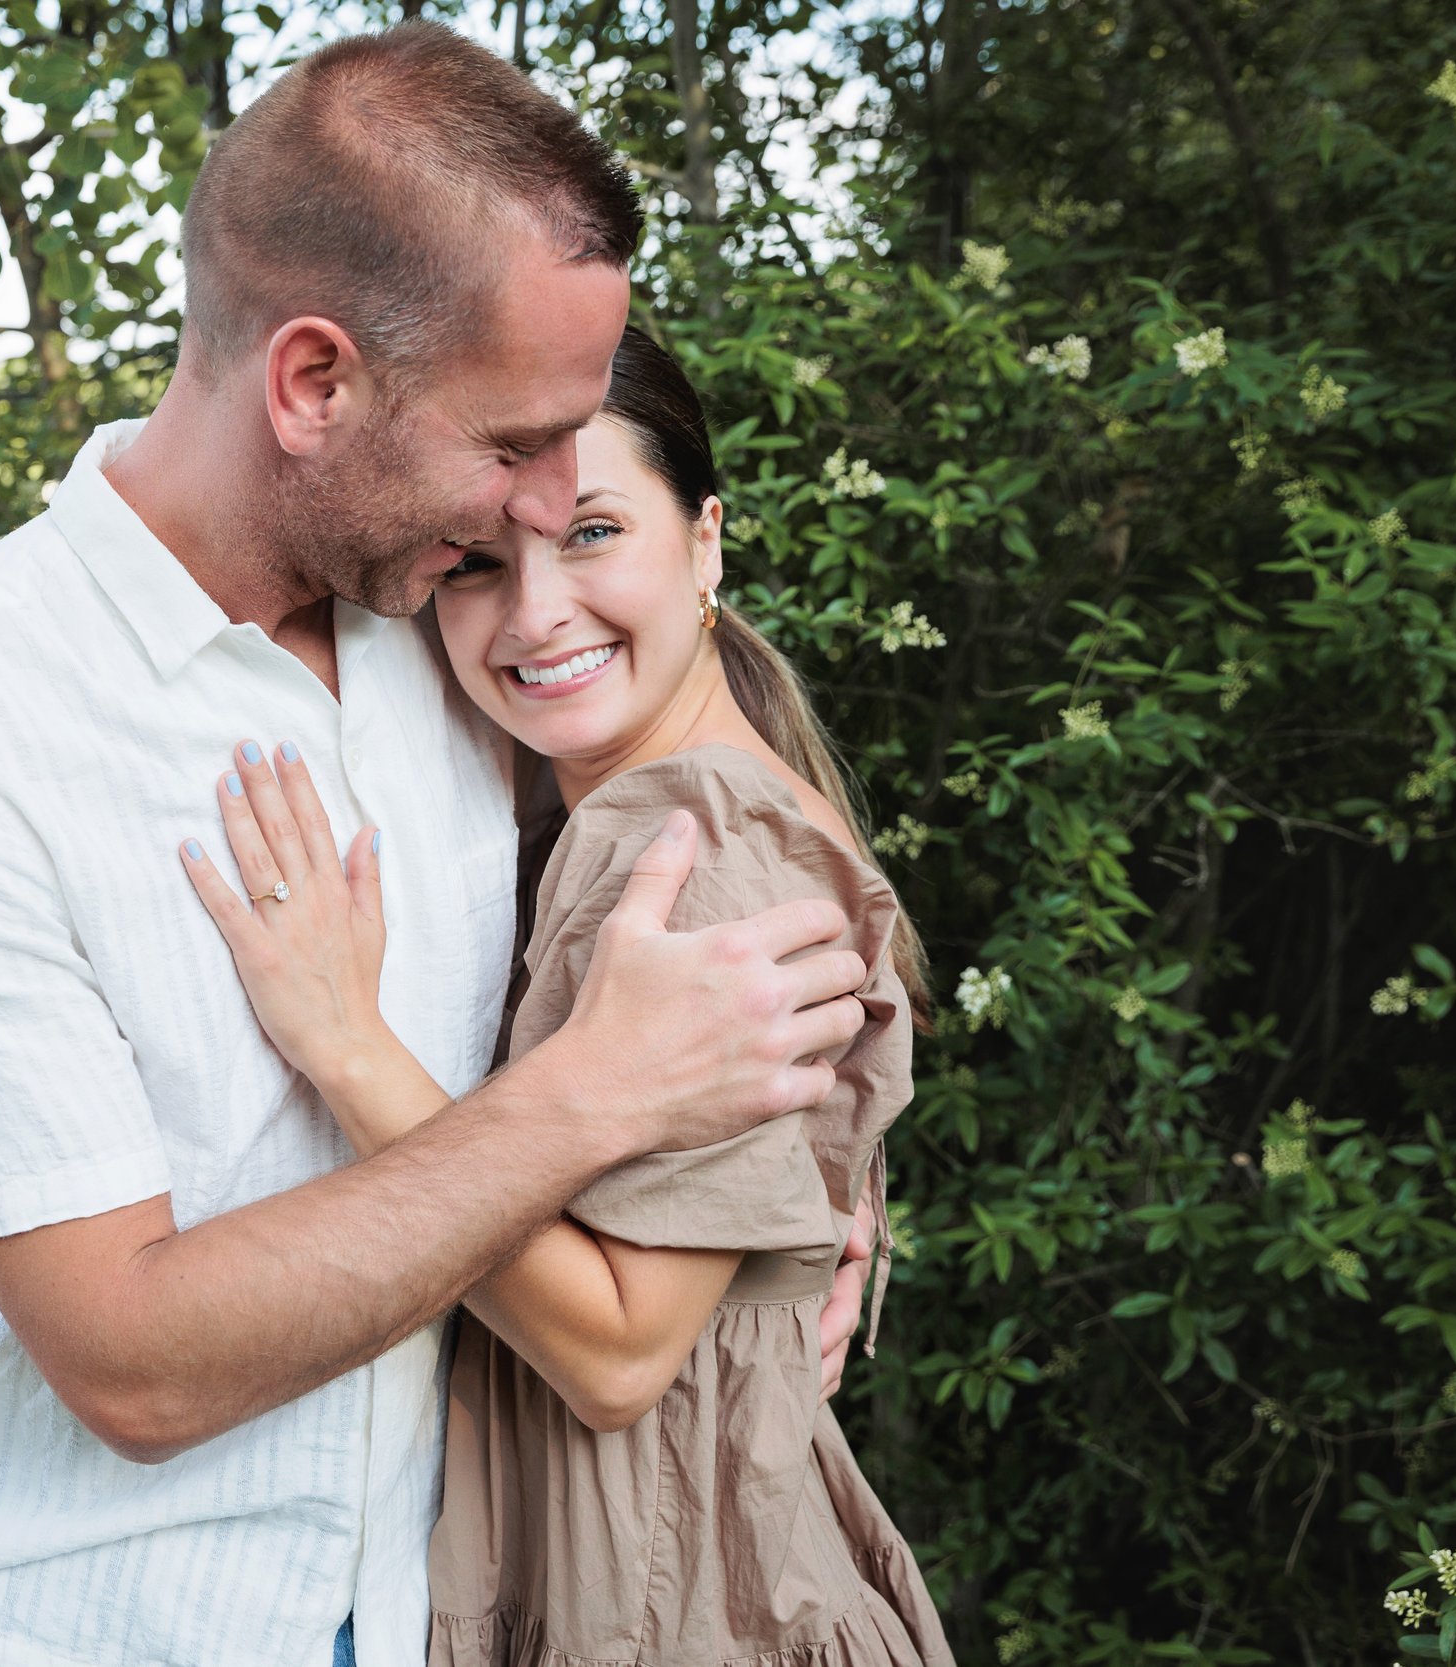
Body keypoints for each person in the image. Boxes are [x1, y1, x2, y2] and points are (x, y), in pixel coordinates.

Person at [0, 25, 881, 1667]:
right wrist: (605, 1095)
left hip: (462, 1603)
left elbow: (711, 837)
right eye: (509, 445)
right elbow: (131, 1365)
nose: (542, 505)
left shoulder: (454, 629)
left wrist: (797, 1192)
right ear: (315, 384)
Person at [175, 327, 954, 1665]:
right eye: (477, 561)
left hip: (674, 1613)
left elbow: (616, 1355)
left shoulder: (694, 843)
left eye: (593, 532)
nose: (535, 613)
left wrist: (346, 1043)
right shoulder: (617, 805)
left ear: (705, 542)